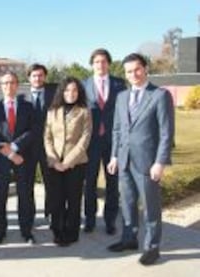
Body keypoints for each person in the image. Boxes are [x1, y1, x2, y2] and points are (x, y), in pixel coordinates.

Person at [106, 53, 174, 265]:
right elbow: (117, 130)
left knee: (150, 207)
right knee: (127, 203)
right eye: (128, 71)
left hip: (147, 163)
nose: (133, 74)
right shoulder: (121, 97)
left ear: (145, 69)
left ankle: (152, 247)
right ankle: (129, 239)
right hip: (124, 160)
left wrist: (160, 162)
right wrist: (114, 156)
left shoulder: (160, 95)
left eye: (137, 69)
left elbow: (166, 133)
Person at [0, 71, 36, 244]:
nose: (9, 86)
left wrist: (15, 148)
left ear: (17, 85)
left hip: (23, 158)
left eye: (12, 82)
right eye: (5, 83)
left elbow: (32, 131)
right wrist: (9, 152)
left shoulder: (28, 107)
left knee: (25, 196)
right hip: (2, 159)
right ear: (1, 86)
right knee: (0, 196)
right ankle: (0, 232)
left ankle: (27, 232)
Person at [82, 49, 127, 234]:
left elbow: (124, 112)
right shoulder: (83, 84)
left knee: (112, 183)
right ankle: (90, 220)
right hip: (90, 142)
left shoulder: (119, 84)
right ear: (92, 64)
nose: (100, 65)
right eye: (97, 62)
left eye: (103, 61)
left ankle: (110, 221)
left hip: (112, 141)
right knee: (90, 182)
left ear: (108, 63)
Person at [44, 77, 92, 246]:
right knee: (56, 199)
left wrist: (68, 162)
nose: (70, 94)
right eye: (67, 90)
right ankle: (57, 230)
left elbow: (84, 140)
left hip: (76, 164)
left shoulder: (84, 111)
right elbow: (47, 138)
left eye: (74, 90)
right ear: (61, 92)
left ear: (79, 93)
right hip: (54, 164)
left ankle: (72, 232)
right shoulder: (52, 111)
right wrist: (54, 160)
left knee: (73, 199)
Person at [18, 63, 55, 220]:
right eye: (34, 75)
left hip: (50, 147)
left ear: (45, 77)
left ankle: (51, 212)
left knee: (51, 183)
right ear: (29, 78)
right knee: (28, 184)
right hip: (28, 148)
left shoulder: (55, 94)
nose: (38, 78)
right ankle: (30, 215)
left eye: (40, 75)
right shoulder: (21, 98)